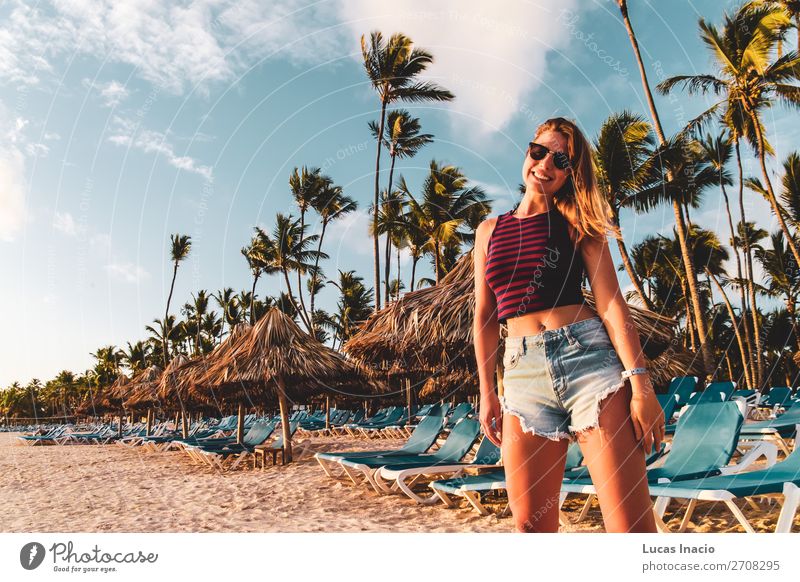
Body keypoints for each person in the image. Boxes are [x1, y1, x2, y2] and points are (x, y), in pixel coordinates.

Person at [473, 117, 664, 533]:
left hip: (589, 364)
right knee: (530, 528)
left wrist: (640, 385)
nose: (545, 164)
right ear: (527, 152)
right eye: (538, 151)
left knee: (629, 528)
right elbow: (484, 317)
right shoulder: (489, 231)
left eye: (561, 160)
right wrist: (488, 391)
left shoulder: (579, 221)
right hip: (521, 375)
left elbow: (612, 304)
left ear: (571, 173)